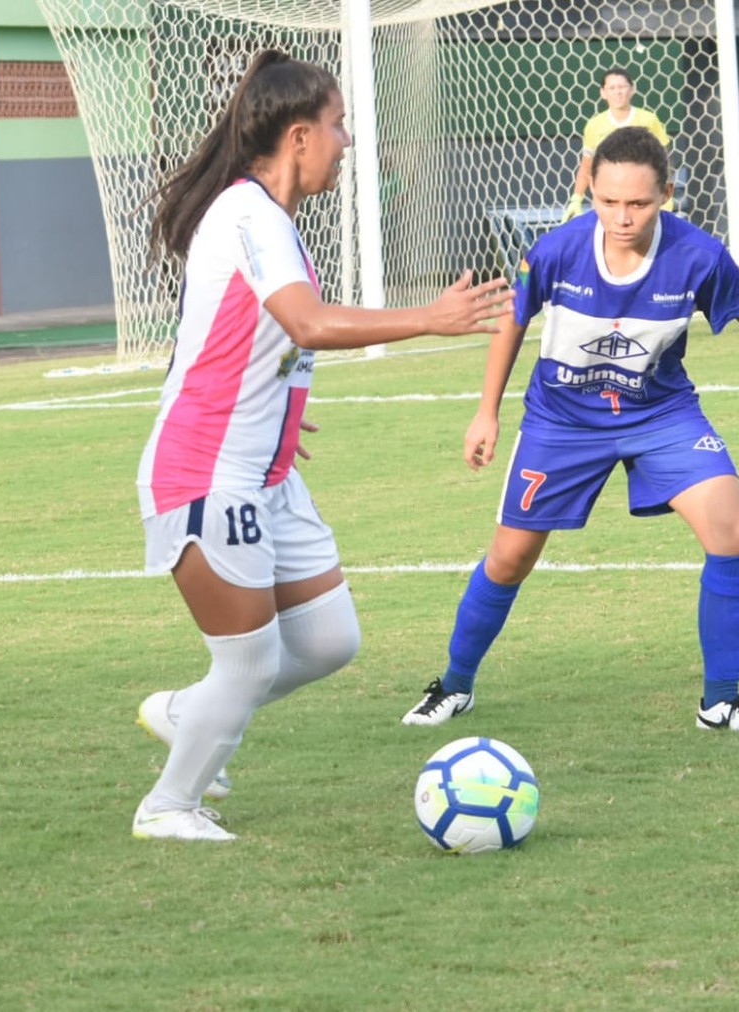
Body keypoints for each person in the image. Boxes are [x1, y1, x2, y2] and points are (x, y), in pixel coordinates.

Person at [133, 49, 511, 842]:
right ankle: (169, 807)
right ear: (299, 136)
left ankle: (188, 714)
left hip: (261, 471)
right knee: (250, 662)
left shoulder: (268, 222)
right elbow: (305, 322)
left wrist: (270, 408)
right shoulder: (249, 215)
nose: (347, 141)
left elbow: (243, 340)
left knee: (330, 639)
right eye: (338, 126)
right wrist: (428, 318)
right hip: (208, 471)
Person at [402, 126, 739, 735]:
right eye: (607, 201)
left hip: (660, 414)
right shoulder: (556, 250)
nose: (621, 216)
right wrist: (488, 411)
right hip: (563, 420)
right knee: (509, 558)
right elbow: (512, 320)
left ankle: (721, 702)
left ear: (665, 193)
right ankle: (453, 685)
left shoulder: (697, 255)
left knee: (732, 529)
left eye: (637, 203)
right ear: (590, 188)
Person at [564, 66, 670, 220]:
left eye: (622, 87)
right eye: (612, 88)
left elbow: (664, 159)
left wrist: (663, 189)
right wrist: (576, 198)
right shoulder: (594, 125)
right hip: (611, 197)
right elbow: (587, 165)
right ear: (603, 93)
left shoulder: (649, 120)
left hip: (642, 196)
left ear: (632, 89)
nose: (618, 92)